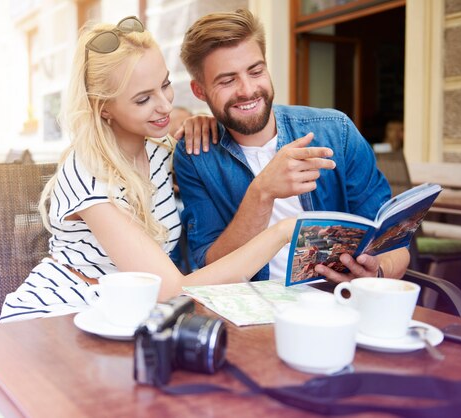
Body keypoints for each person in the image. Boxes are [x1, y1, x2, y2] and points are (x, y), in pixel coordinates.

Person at [0, 16, 295, 323]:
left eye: (165, 85)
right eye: (143, 99)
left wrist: (206, 125)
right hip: (56, 314)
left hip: (125, 313)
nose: (165, 106)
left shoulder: (158, 153)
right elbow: (170, 290)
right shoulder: (89, 171)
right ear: (103, 107)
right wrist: (282, 232)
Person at [173, 9, 410, 284]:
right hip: (253, 309)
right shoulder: (197, 154)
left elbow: (395, 245)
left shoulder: (336, 131)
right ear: (199, 91)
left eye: (256, 71)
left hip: (339, 300)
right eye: (227, 80)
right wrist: (262, 192)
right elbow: (212, 266)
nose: (247, 90)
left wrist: (377, 271)